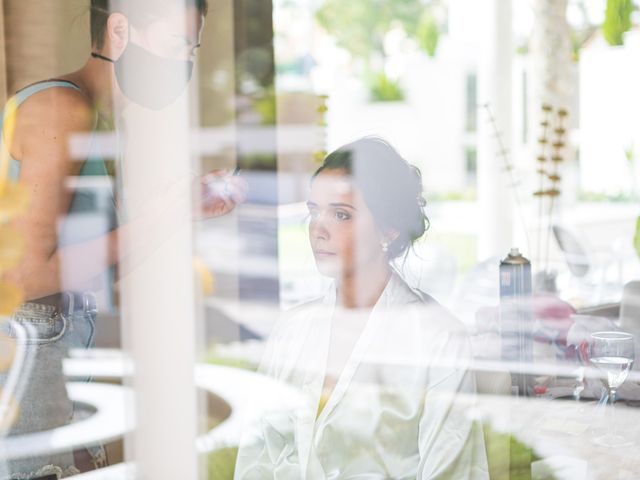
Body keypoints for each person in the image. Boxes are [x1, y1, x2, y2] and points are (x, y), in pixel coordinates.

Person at [0, 1, 244, 477]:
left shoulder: (100, 119)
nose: (184, 65)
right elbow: (23, 276)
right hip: (29, 366)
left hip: (58, 363)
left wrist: (179, 214)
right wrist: (165, 212)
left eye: (190, 50)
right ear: (119, 29)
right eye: (175, 45)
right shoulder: (60, 109)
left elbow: (92, 266)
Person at [235, 137, 488, 479]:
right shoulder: (293, 329)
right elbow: (257, 458)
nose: (318, 229)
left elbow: (453, 471)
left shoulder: (438, 337)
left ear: (389, 229)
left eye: (341, 214)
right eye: (314, 211)